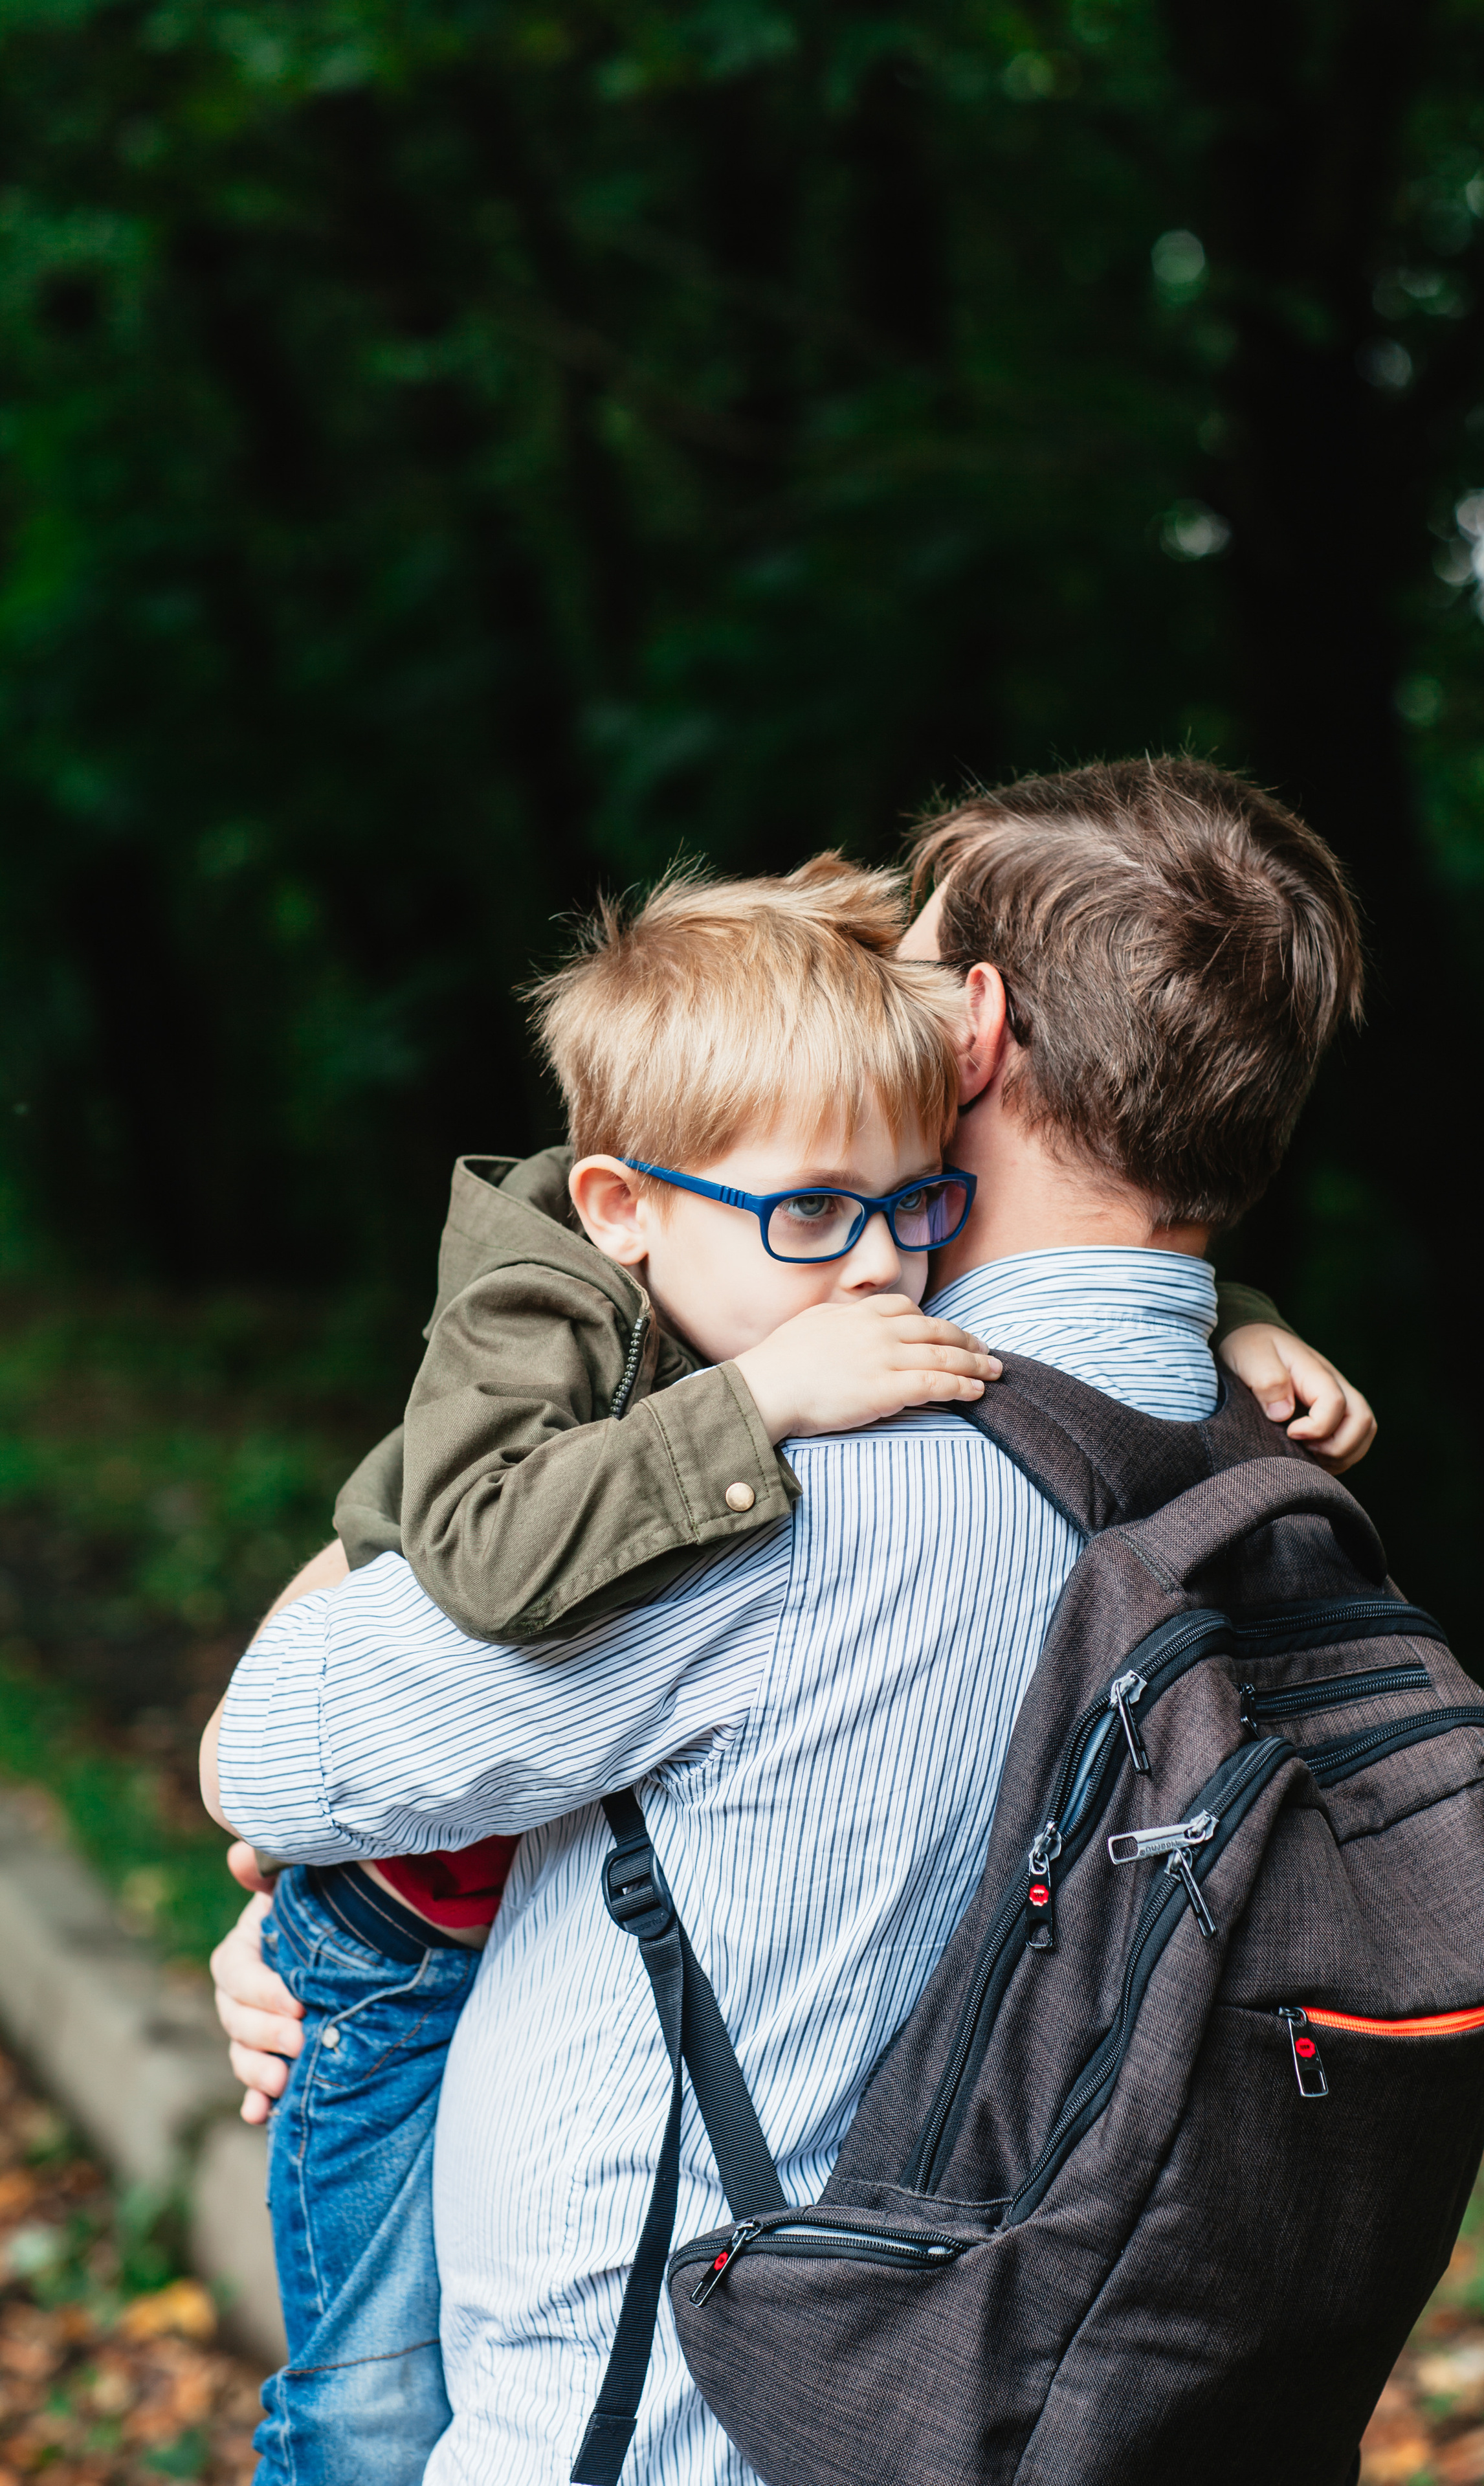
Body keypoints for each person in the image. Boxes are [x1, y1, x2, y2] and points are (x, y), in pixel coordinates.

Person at [207, 757, 1373, 2486]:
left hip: (656, 2430)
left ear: (971, 1033)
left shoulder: (825, 1472)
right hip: (1007, 2402)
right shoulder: (1286, 1493)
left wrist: (334, 1911)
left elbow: (277, 1753)